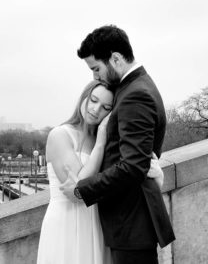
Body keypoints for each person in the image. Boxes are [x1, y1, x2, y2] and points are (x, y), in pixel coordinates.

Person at [62, 25, 175, 264]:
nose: (94, 77)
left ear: (115, 58)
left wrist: (82, 189)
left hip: (131, 222)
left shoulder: (135, 94)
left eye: (96, 68)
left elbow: (133, 166)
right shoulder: (133, 87)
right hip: (131, 222)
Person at [37, 80, 164, 264]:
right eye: (93, 100)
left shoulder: (109, 140)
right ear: (84, 96)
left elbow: (129, 172)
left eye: (105, 107)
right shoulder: (60, 135)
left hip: (98, 222)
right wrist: (101, 141)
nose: (96, 110)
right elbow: (79, 190)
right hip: (66, 222)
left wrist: (157, 173)